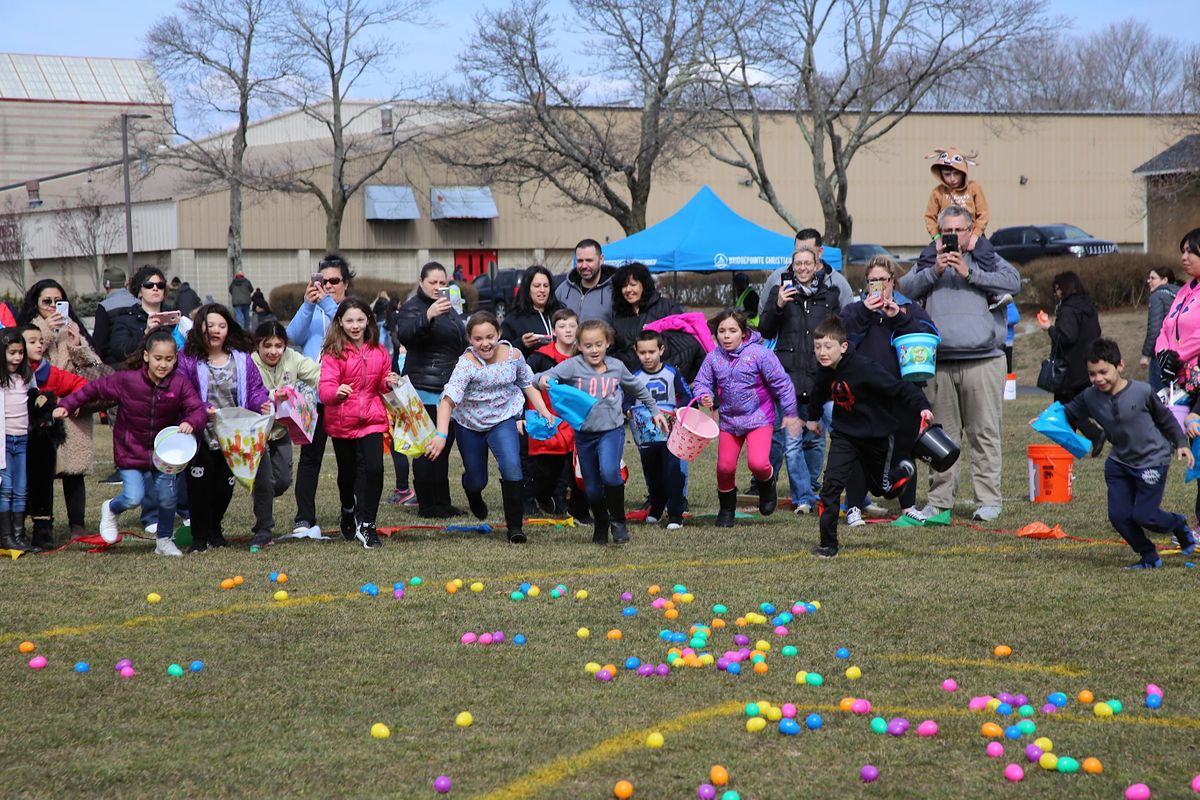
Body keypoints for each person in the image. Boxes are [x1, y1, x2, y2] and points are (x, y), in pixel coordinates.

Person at [898, 206, 1021, 522]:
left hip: (983, 360)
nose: (952, 237)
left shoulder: (986, 260)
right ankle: (939, 502)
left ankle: (988, 501)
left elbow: (1013, 282)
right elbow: (904, 289)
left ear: (970, 232)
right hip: (939, 363)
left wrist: (970, 273)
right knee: (941, 436)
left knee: (984, 434)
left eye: (958, 230)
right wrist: (934, 271)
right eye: (946, 231)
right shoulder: (930, 261)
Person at [54, 330, 207, 556]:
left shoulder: (180, 383)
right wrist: (67, 405)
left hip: (164, 454)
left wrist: (191, 421)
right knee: (133, 497)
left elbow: (197, 410)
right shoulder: (127, 380)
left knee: (168, 498)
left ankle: (164, 541)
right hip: (130, 451)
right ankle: (111, 508)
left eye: (169, 359)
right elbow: (94, 389)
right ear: (146, 356)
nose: (163, 364)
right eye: (158, 358)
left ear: (175, 358)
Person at [807, 317, 933, 558]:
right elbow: (818, 392)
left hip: (877, 436)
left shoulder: (864, 368)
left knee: (882, 489)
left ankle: (902, 472)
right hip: (845, 435)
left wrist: (923, 407)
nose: (822, 352)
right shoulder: (825, 369)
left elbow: (899, 387)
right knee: (831, 486)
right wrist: (812, 418)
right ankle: (828, 545)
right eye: (817, 347)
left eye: (828, 346)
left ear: (843, 347)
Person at [426, 312, 555, 543]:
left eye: (489, 337)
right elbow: (447, 401)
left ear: (499, 334)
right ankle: (472, 491)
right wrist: (441, 434)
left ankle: (515, 528)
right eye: (478, 339)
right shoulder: (466, 364)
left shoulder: (513, 355)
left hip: (502, 419)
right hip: (470, 424)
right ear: (470, 339)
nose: (485, 343)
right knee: (478, 480)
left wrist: (543, 410)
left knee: (512, 467)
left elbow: (527, 383)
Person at [1067, 338, 1196, 569]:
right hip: (1119, 463)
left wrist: (1180, 442)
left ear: (1120, 366)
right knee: (1119, 517)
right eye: (1092, 374)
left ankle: (1178, 523)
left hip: (1152, 461)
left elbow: (1165, 419)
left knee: (1145, 516)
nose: (1098, 379)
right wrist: (1046, 419)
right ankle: (1149, 556)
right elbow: (1068, 412)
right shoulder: (1090, 396)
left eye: (1103, 372)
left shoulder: (1142, 391)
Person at [536, 320, 667, 545]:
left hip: (611, 431)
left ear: (607, 343)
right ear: (579, 346)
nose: (594, 350)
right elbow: (539, 377)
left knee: (609, 472)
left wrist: (655, 411)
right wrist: (543, 379)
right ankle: (601, 523)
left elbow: (637, 388)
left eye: (598, 344)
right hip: (584, 435)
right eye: (588, 346)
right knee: (591, 488)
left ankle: (618, 523)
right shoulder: (573, 366)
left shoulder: (616, 367)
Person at [840, 256, 938, 523]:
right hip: (864, 392)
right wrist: (865, 312)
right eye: (872, 280)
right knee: (860, 451)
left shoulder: (909, 309)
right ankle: (854, 507)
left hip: (902, 392)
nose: (878, 285)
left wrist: (898, 318)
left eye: (882, 280)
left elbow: (927, 339)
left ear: (892, 281)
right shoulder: (854, 309)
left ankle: (908, 507)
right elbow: (840, 338)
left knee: (904, 449)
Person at [178, 304, 274, 552]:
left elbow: (254, 389)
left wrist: (261, 403)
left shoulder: (241, 359)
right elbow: (182, 391)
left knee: (224, 487)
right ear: (200, 327)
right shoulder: (188, 359)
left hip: (232, 436)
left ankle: (215, 528)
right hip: (201, 434)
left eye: (221, 326)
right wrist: (201, 408)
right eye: (210, 325)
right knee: (199, 487)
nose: (216, 330)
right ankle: (199, 538)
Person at [692, 309, 798, 527]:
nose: (726, 336)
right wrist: (704, 395)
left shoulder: (760, 354)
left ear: (743, 332)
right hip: (729, 422)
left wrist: (790, 413)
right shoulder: (713, 358)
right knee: (724, 468)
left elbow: (782, 383)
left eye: (732, 331)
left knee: (758, 464)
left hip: (759, 418)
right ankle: (726, 509)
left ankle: (767, 484)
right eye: (722, 331)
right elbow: (702, 382)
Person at [17, 279, 105, 538]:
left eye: (59, 301)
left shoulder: (72, 328)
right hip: (40, 409)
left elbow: (94, 367)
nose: (53, 307)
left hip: (73, 407)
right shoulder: (29, 329)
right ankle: (41, 524)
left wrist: (78, 344)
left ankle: (77, 524)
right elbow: (21, 356)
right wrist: (45, 331)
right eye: (47, 302)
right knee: (39, 470)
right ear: (35, 303)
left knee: (74, 469)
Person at [758, 245, 841, 516]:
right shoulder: (779, 292)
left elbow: (839, 333)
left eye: (808, 263)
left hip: (821, 380)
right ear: (792, 267)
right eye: (798, 264)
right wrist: (779, 305)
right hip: (788, 380)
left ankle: (816, 487)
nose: (803, 268)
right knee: (792, 443)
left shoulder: (829, 295)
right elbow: (765, 329)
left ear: (817, 266)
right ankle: (802, 497)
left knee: (817, 440)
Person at [319, 298, 401, 549]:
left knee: (375, 470)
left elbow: (381, 385)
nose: (355, 326)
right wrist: (336, 392)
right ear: (340, 323)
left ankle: (367, 525)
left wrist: (389, 382)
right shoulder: (333, 353)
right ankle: (348, 508)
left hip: (372, 420)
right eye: (349, 321)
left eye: (360, 320)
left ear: (368, 321)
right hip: (342, 421)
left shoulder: (380, 351)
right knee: (347, 476)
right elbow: (325, 389)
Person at [394, 262, 468, 518]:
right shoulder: (414, 307)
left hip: (447, 389)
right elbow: (405, 335)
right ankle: (427, 504)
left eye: (442, 283)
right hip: (423, 387)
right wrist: (428, 315)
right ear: (421, 282)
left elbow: (459, 340)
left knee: (443, 447)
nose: (438, 287)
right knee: (426, 449)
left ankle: (443, 501)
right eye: (432, 283)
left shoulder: (449, 309)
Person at [287, 253, 352, 537]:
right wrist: (307, 304)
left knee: (348, 459)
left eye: (334, 281)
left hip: (343, 395)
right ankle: (304, 517)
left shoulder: (351, 311)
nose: (327, 286)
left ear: (345, 283)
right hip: (313, 397)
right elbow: (291, 336)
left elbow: (348, 329)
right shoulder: (311, 310)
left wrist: (326, 303)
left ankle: (350, 510)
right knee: (309, 458)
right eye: (322, 281)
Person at [20, 325, 85, 551]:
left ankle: (43, 528)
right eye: (32, 342)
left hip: (41, 441)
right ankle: (14, 528)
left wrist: (65, 404)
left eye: (41, 341)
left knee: (42, 483)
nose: (39, 345)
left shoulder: (49, 372)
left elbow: (81, 385)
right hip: (13, 439)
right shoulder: (8, 374)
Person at [252, 321, 320, 510]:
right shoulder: (250, 362)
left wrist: (333, 383)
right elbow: (250, 392)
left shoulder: (292, 357)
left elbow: (317, 373)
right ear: (258, 344)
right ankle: (264, 519)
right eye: (267, 345)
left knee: (283, 481)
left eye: (278, 346)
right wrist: (273, 395)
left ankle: (261, 491)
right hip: (257, 430)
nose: (273, 351)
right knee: (264, 480)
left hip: (281, 429)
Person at [526, 309, 586, 518]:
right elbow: (526, 383)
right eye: (562, 326)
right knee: (546, 471)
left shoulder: (584, 356)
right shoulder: (539, 357)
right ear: (553, 331)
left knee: (572, 468)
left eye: (572, 326)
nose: (568, 330)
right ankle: (533, 497)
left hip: (574, 421)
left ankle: (567, 503)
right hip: (547, 420)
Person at [628, 330, 691, 529]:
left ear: (661, 350)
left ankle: (675, 514)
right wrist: (627, 409)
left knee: (673, 471)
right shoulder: (634, 377)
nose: (647, 357)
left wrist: (681, 409)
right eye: (642, 352)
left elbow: (686, 396)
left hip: (671, 434)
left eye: (651, 352)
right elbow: (626, 399)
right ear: (636, 352)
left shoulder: (672, 373)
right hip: (646, 434)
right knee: (652, 473)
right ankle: (656, 507)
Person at [1038, 271, 1104, 456]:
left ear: (1064, 288)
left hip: (1069, 366)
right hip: (1086, 363)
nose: (1056, 293)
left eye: (1057, 289)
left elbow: (1067, 336)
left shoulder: (1067, 309)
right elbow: (1097, 331)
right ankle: (1072, 445)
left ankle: (1094, 434)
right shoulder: (1087, 305)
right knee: (1074, 404)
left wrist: (1049, 328)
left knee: (1064, 406)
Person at [106, 265, 194, 366]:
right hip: (138, 371)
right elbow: (120, 352)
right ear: (139, 291)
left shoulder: (173, 317)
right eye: (149, 285)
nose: (155, 288)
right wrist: (145, 332)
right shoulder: (126, 317)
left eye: (160, 285)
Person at [758, 229, 853, 318]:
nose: (802, 255)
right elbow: (763, 315)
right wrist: (778, 306)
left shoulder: (838, 283)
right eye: (798, 251)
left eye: (808, 251)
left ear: (820, 252)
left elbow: (849, 320)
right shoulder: (777, 278)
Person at [610, 262, 683, 369]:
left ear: (644, 285)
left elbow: (678, 343)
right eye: (624, 286)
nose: (628, 290)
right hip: (629, 374)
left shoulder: (667, 307)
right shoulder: (618, 315)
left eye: (633, 285)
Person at [0, 330, 35, 552]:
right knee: (6, 489)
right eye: (12, 353)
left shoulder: (26, 377)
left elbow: (34, 398)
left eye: (20, 353)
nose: (17, 358)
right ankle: (6, 536)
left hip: (21, 441)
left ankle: (20, 535)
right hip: (3, 442)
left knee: (21, 489)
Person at [923, 147, 989, 250]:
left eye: (956, 174)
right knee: (927, 255)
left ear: (963, 172)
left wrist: (975, 236)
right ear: (940, 174)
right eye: (947, 174)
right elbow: (929, 217)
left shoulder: (974, 188)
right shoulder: (938, 192)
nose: (952, 179)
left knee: (986, 253)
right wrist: (937, 238)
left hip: (973, 235)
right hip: (946, 237)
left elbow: (983, 214)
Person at [502, 265, 563, 356]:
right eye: (537, 286)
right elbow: (503, 351)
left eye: (546, 286)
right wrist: (522, 343)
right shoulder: (514, 319)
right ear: (527, 289)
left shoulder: (560, 312)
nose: (542, 290)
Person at [555, 239, 617, 324]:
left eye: (589, 260)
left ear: (601, 259)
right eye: (580, 261)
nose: (584, 266)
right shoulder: (563, 290)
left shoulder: (615, 290)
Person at [1140, 267, 1178, 391]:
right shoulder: (1180, 293)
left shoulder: (1157, 296)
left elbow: (1154, 328)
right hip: (1179, 351)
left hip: (1162, 351)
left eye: (1153, 278)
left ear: (1164, 280)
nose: (1149, 281)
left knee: (1158, 393)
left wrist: (1146, 355)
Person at [90, 266, 137, 365]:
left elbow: (99, 341)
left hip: (113, 362)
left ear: (106, 284)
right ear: (125, 283)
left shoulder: (104, 306)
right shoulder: (138, 302)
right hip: (137, 359)